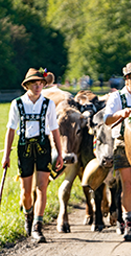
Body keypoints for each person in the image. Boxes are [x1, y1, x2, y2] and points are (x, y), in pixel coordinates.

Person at [1, 68, 64, 243]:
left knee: (42, 187)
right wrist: (6, 156)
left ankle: (37, 226)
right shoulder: (18, 104)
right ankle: (28, 216)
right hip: (24, 147)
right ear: (27, 85)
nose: (38, 87)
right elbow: (11, 130)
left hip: (44, 146)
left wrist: (59, 153)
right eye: (34, 84)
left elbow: (54, 129)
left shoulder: (48, 104)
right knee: (26, 191)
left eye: (40, 84)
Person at [104, 61, 131, 241]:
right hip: (122, 143)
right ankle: (129, 223)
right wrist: (121, 114)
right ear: (128, 78)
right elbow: (107, 120)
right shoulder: (117, 98)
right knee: (128, 184)